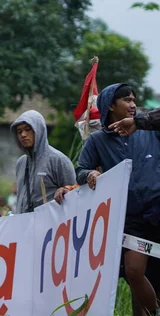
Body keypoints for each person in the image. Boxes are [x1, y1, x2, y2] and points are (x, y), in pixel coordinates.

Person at [70, 83, 160, 316]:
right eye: (126, 101)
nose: (132, 105)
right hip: (131, 219)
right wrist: (90, 174)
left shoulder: (149, 129)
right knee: (134, 272)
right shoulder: (97, 140)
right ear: (111, 105)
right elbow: (81, 170)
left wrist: (141, 123)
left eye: (134, 100)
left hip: (158, 211)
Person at [10, 110, 76, 214]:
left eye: (28, 129)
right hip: (24, 226)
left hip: (52, 226)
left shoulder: (58, 160)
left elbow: (74, 195)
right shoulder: (21, 163)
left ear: (39, 130)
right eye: (19, 131)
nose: (23, 134)